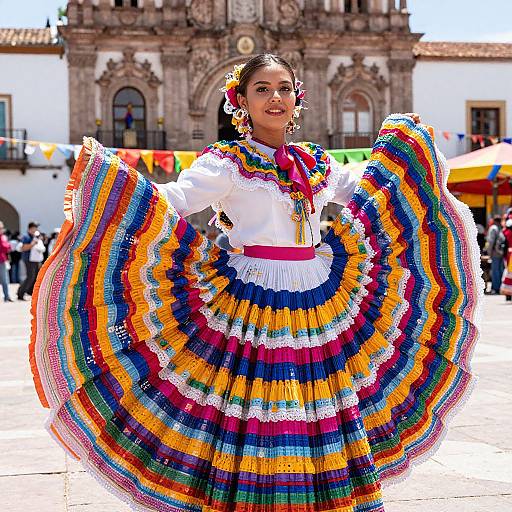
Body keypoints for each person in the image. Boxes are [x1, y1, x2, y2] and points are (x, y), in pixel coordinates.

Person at [30, 54, 483, 512]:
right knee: (255, 403)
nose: (275, 98)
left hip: (316, 294)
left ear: (297, 99)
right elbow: (178, 198)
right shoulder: (227, 164)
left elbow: (368, 187)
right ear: (240, 101)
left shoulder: (315, 163)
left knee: (317, 399)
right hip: (250, 296)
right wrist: (117, 191)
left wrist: (404, 154)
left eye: (284, 88)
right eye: (262, 89)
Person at [17, 221, 44, 301]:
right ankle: (20, 293)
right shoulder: (26, 237)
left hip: (36, 260)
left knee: (35, 277)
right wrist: (33, 244)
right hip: (29, 259)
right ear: (30, 229)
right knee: (30, 277)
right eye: (34, 228)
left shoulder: (35, 236)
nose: (35, 229)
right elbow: (23, 247)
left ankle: (30, 292)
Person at [485, 215, 505, 294]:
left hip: (495, 253)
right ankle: (500, 287)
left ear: (494, 220)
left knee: (495, 271)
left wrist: (489, 253)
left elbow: (490, 241)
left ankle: (495, 288)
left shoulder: (493, 228)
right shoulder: (501, 228)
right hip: (501, 252)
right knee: (500, 270)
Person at [0, 221, 12, 302]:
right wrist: (8, 245)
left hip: (2, 259)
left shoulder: (2, 236)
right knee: (4, 280)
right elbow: (5, 247)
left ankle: (7, 296)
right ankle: (7, 296)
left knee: (5, 280)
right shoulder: (2, 237)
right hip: (1, 260)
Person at [501, 216, 512, 300]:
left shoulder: (506, 232)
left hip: (508, 256)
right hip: (509, 256)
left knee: (508, 273)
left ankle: (508, 295)